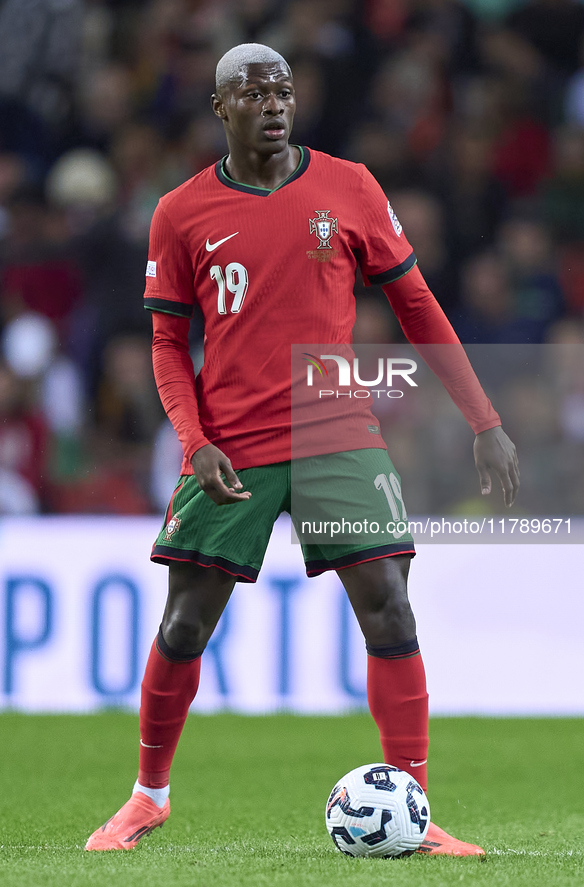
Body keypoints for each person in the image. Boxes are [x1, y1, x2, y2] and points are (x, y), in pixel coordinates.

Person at [85, 43, 519, 855]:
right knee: (185, 623)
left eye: (283, 90)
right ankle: (147, 796)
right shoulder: (180, 212)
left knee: (388, 603)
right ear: (221, 108)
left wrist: (482, 418)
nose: (274, 104)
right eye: (253, 94)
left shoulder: (349, 186)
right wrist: (194, 439)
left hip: (334, 428)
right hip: (232, 441)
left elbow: (417, 306)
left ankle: (414, 812)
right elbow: (166, 345)